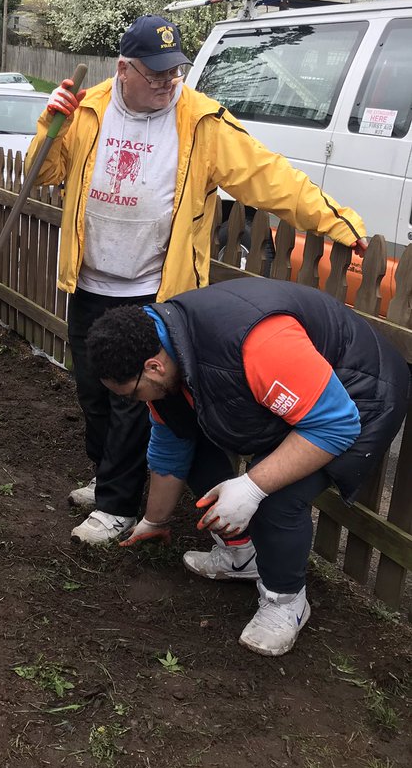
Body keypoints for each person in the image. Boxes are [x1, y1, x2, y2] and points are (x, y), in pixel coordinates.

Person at [25, 14, 368, 547]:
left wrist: (335, 221)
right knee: (95, 392)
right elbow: (42, 174)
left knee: (137, 401)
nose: (168, 82)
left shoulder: (202, 120)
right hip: (90, 282)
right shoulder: (88, 109)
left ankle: (117, 505)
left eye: (175, 71)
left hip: (155, 289)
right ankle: (108, 476)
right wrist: (51, 127)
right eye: (156, 74)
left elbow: (269, 177)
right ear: (124, 69)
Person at [84, 277, 409, 655]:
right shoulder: (166, 345)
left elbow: (335, 423)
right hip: (301, 393)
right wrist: (155, 521)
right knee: (192, 439)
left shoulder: (257, 344)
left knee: (277, 495)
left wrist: (253, 486)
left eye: (132, 394)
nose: (137, 403)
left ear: (153, 367)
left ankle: (286, 603)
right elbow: (172, 443)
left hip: (359, 395)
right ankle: (242, 557)